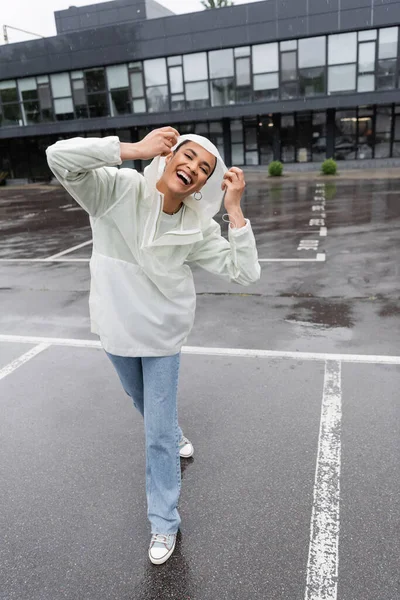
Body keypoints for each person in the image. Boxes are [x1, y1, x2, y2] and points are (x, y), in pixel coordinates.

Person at [46, 127, 260, 565]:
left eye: (204, 169)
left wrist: (234, 210)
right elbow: (58, 157)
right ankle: (174, 430)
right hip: (117, 327)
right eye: (189, 157)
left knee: (156, 434)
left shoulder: (197, 227)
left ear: (204, 185)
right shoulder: (116, 189)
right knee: (138, 398)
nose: (193, 169)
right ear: (167, 156)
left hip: (163, 335)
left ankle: (164, 522)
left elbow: (245, 272)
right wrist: (130, 150)